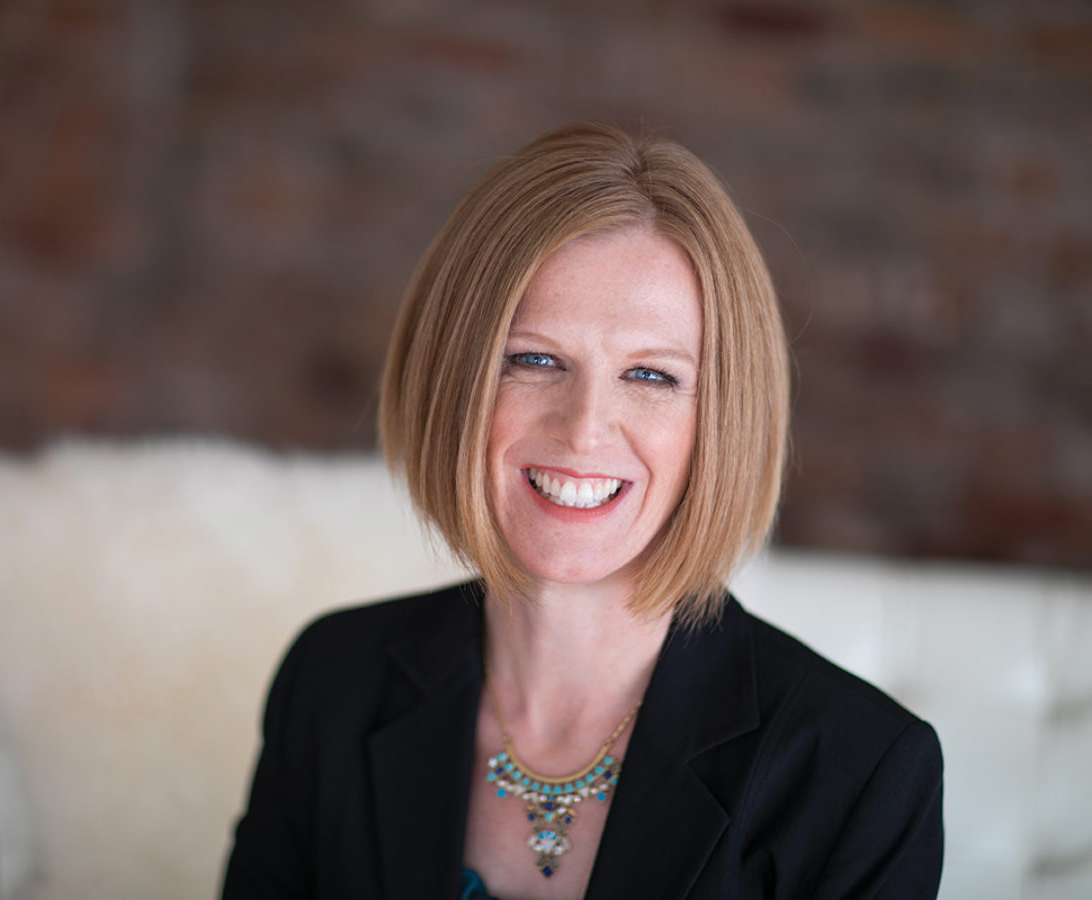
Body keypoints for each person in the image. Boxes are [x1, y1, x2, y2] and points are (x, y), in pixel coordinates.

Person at [221, 123, 944, 899]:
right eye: (534, 360)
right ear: (451, 378)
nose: (584, 429)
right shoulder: (332, 682)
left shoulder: (861, 771)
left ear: (724, 419)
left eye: (652, 376)